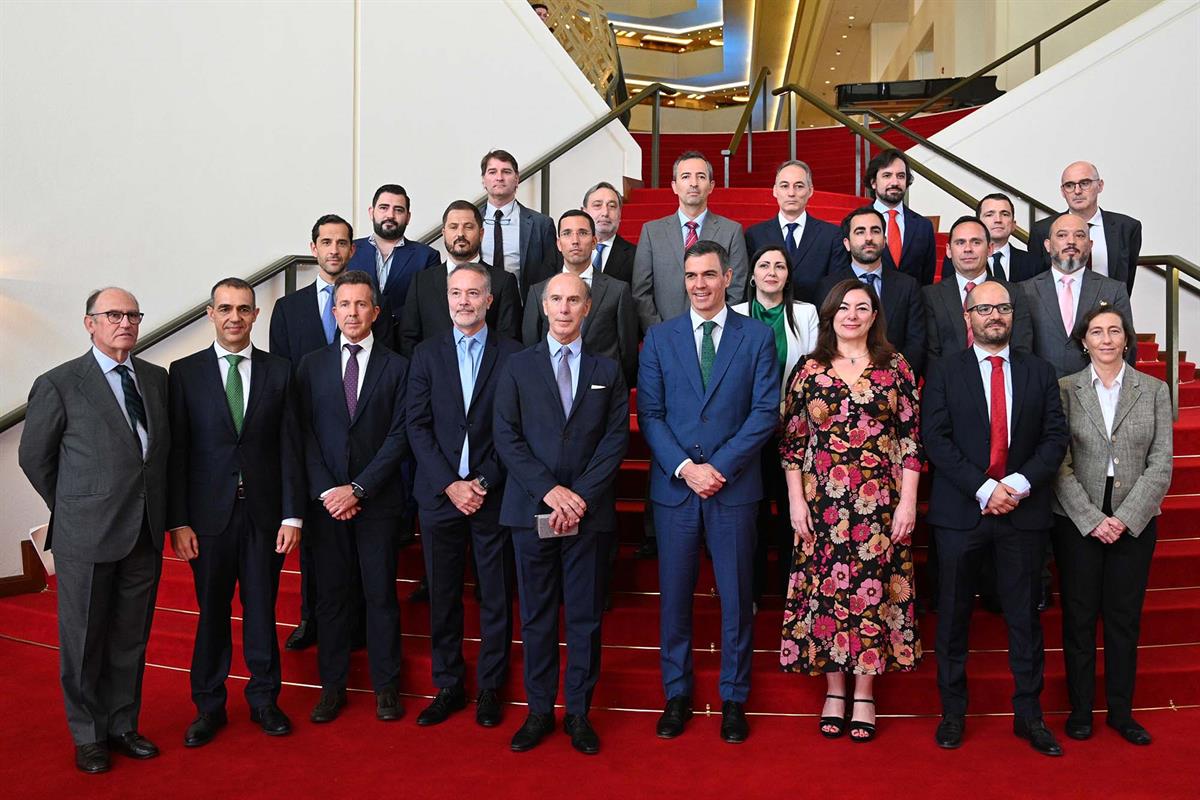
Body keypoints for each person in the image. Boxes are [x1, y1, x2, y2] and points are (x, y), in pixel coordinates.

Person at [19, 287, 169, 774]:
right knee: (83, 641)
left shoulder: (155, 378)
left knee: (130, 637)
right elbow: (34, 458)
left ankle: (123, 724)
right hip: (86, 535)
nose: (124, 322)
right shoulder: (60, 383)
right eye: (112, 315)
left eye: (132, 314)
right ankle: (88, 737)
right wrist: (75, 505)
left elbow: (158, 456)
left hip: (143, 531)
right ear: (90, 324)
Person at [638, 240, 780, 744]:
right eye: (691, 275)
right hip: (675, 490)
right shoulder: (659, 338)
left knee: (737, 599)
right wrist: (685, 468)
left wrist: (716, 467)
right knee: (674, 598)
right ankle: (676, 693)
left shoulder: (758, 337)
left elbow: (765, 412)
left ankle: (733, 697)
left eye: (709, 275)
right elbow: (650, 416)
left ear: (728, 278)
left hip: (734, 488)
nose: (699, 284)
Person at [922, 280, 1069, 756]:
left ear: (1013, 315)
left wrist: (1017, 486)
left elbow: (1054, 439)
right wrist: (986, 488)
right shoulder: (944, 371)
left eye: (1002, 308)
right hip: (962, 512)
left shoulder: (1040, 372)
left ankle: (1030, 715)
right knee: (954, 618)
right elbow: (936, 439)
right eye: (983, 308)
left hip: (1023, 515)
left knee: (1025, 619)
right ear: (968, 317)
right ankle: (952, 713)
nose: (994, 316)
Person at [778, 278, 923, 742]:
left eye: (862, 307)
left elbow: (910, 439)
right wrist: (796, 501)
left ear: (875, 315)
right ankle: (834, 690)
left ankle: (865, 691)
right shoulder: (809, 369)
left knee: (872, 594)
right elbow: (793, 442)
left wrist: (908, 501)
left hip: (879, 503)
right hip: (821, 505)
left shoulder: (895, 366)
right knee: (826, 595)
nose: (852, 315)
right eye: (843, 307)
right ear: (830, 315)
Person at [493, 272, 630, 755]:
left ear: (588, 307)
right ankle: (537, 712)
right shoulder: (517, 366)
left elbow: (615, 441)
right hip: (531, 510)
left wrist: (579, 498)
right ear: (543, 306)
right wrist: (552, 491)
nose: (565, 308)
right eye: (557, 300)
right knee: (535, 617)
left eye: (575, 300)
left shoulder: (608, 370)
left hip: (587, 516)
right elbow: (506, 436)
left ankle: (577, 713)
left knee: (586, 619)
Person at [166, 278, 304, 746]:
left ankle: (265, 700)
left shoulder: (280, 371)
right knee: (212, 614)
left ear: (255, 316)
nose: (234, 318)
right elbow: (178, 453)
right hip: (207, 520)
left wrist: (292, 515)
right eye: (225, 308)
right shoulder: (182, 374)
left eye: (244, 309)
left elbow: (291, 448)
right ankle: (209, 706)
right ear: (210, 314)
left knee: (262, 611)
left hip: (266, 517)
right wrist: (178, 520)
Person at [407, 264, 522, 729]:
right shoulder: (426, 354)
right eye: (456, 293)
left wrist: (482, 483)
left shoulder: (514, 355)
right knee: (444, 595)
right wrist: (450, 484)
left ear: (489, 301)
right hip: (439, 497)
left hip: (492, 496)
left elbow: (513, 431)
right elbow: (416, 426)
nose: (464, 301)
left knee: (495, 595)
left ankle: (491, 687)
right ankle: (449, 683)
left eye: (473, 293)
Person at [1053, 304, 1172, 746]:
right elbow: (1058, 464)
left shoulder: (1154, 389)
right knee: (1079, 618)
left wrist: (1123, 518)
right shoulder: (1065, 390)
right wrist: (1091, 519)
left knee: (1123, 619)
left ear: (1127, 339)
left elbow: (1161, 465)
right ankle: (1081, 710)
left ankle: (1121, 713)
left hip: (1134, 520)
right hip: (1077, 518)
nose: (1106, 339)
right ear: (1083, 341)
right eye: (1097, 332)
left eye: (1114, 331)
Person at [296, 270, 411, 724]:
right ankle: (332, 687)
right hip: (327, 508)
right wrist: (330, 490)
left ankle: (386, 687)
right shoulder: (310, 365)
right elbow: (303, 434)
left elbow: (401, 434)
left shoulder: (398, 366)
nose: (352, 313)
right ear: (334, 309)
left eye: (362, 304)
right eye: (344, 304)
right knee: (331, 598)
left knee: (381, 595)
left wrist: (360, 488)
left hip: (377, 503)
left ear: (375, 312)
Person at [270, 214, 386, 651]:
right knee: (317, 547)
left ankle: (349, 621)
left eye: (342, 242)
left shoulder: (370, 301)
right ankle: (309, 618)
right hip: (312, 446)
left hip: (358, 446)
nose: (334, 249)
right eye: (326, 242)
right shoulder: (288, 307)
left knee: (354, 558)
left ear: (353, 249)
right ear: (313, 247)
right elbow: (282, 374)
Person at [730, 245, 819, 601]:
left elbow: (812, 369)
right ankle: (749, 591)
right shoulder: (733, 313)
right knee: (750, 511)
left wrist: (785, 408)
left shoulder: (806, 313)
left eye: (779, 266)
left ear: (787, 275)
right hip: (746, 428)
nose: (771, 272)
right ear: (751, 275)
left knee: (790, 509)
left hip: (794, 427)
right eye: (764, 265)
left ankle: (789, 589)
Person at [632, 150, 749, 332]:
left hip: (715, 334)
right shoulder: (651, 232)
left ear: (711, 186)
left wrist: (715, 329)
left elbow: (736, 289)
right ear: (674, 186)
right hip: (665, 334)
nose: (693, 183)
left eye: (701, 177)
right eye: (686, 177)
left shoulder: (732, 231)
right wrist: (660, 332)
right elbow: (641, 292)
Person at [523, 209, 639, 388]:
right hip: (549, 389)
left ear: (594, 242)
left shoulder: (618, 290)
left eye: (583, 233)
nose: (575, 241)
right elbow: (530, 346)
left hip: (603, 390)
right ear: (559, 243)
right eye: (567, 234)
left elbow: (628, 352)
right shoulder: (538, 291)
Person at [399, 200, 521, 358]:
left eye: (468, 227)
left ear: (481, 233)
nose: (460, 234)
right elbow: (408, 339)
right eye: (453, 226)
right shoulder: (422, 282)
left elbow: (509, 339)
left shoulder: (503, 281)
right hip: (431, 378)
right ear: (444, 232)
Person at [1023, 212, 1136, 379]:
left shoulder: (1114, 290)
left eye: (1080, 235)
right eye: (1062, 235)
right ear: (1047, 245)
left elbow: (1127, 346)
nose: (1071, 241)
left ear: (1090, 245)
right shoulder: (1025, 291)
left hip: (1096, 393)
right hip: (1041, 393)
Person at [818, 207, 926, 375]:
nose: (868, 238)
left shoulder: (908, 286)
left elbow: (916, 342)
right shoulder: (828, 286)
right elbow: (824, 339)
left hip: (893, 383)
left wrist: (892, 378)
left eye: (875, 231)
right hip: (840, 382)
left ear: (884, 240)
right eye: (860, 232)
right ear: (847, 243)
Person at [925, 215, 1033, 366]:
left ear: (990, 249)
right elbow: (931, 355)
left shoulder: (1013, 293)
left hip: (1002, 381)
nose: (968, 249)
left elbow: (1021, 349)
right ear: (948, 251)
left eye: (976, 242)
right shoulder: (930, 296)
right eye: (960, 242)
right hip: (949, 385)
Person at [1028, 162, 1143, 292]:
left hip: (1110, 308)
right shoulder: (1042, 230)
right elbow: (1037, 282)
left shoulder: (1127, 227)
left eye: (1085, 183)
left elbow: (1127, 279)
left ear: (1100, 185)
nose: (1077, 191)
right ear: (1062, 191)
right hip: (1060, 309)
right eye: (1069, 185)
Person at [744, 160, 847, 302]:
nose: (791, 193)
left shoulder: (831, 235)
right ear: (775, 191)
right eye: (784, 186)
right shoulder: (754, 235)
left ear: (810, 191)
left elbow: (836, 287)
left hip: (817, 318)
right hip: (766, 318)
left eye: (799, 186)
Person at [348, 183, 440, 334]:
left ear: (408, 217)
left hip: (404, 341)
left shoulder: (427, 256)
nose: (390, 215)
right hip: (356, 338)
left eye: (398, 210)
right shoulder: (351, 250)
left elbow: (427, 305)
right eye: (383, 207)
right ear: (371, 212)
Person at [479, 149, 560, 295]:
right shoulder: (471, 221)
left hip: (522, 309)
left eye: (506, 172)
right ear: (483, 180)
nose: (499, 177)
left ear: (517, 179)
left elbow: (550, 276)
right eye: (492, 172)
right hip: (478, 307)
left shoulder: (541, 224)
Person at [865, 148, 936, 286]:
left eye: (901, 176)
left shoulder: (923, 226)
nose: (895, 182)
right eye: (887, 175)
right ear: (873, 182)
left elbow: (927, 279)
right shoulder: (856, 223)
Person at [940, 194, 1039, 282]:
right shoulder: (959, 259)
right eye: (989, 215)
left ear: (1014, 225)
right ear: (978, 223)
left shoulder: (1033, 262)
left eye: (1005, 214)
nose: (998, 220)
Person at [582, 181, 636, 284]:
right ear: (584, 212)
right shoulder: (569, 250)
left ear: (620, 214)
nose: (605, 213)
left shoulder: (635, 256)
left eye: (612, 206)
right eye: (597, 205)